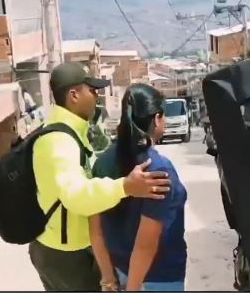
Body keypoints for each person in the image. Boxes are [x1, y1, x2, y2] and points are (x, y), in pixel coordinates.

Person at [29, 62, 172, 291]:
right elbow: (75, 196)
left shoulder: (69, 131)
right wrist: (125, 186)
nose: (97, 96)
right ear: (74, 95)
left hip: (61, 247)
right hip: (67, 255)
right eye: (92, 90)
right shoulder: (60, 141)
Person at [90, 84, 188, 291]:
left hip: (121, 271)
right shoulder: (158, 169)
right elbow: (145, 244)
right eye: (164, 116)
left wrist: (108, 279)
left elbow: (96, 231)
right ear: (156, 119)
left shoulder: (103, 161)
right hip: (158, 278)